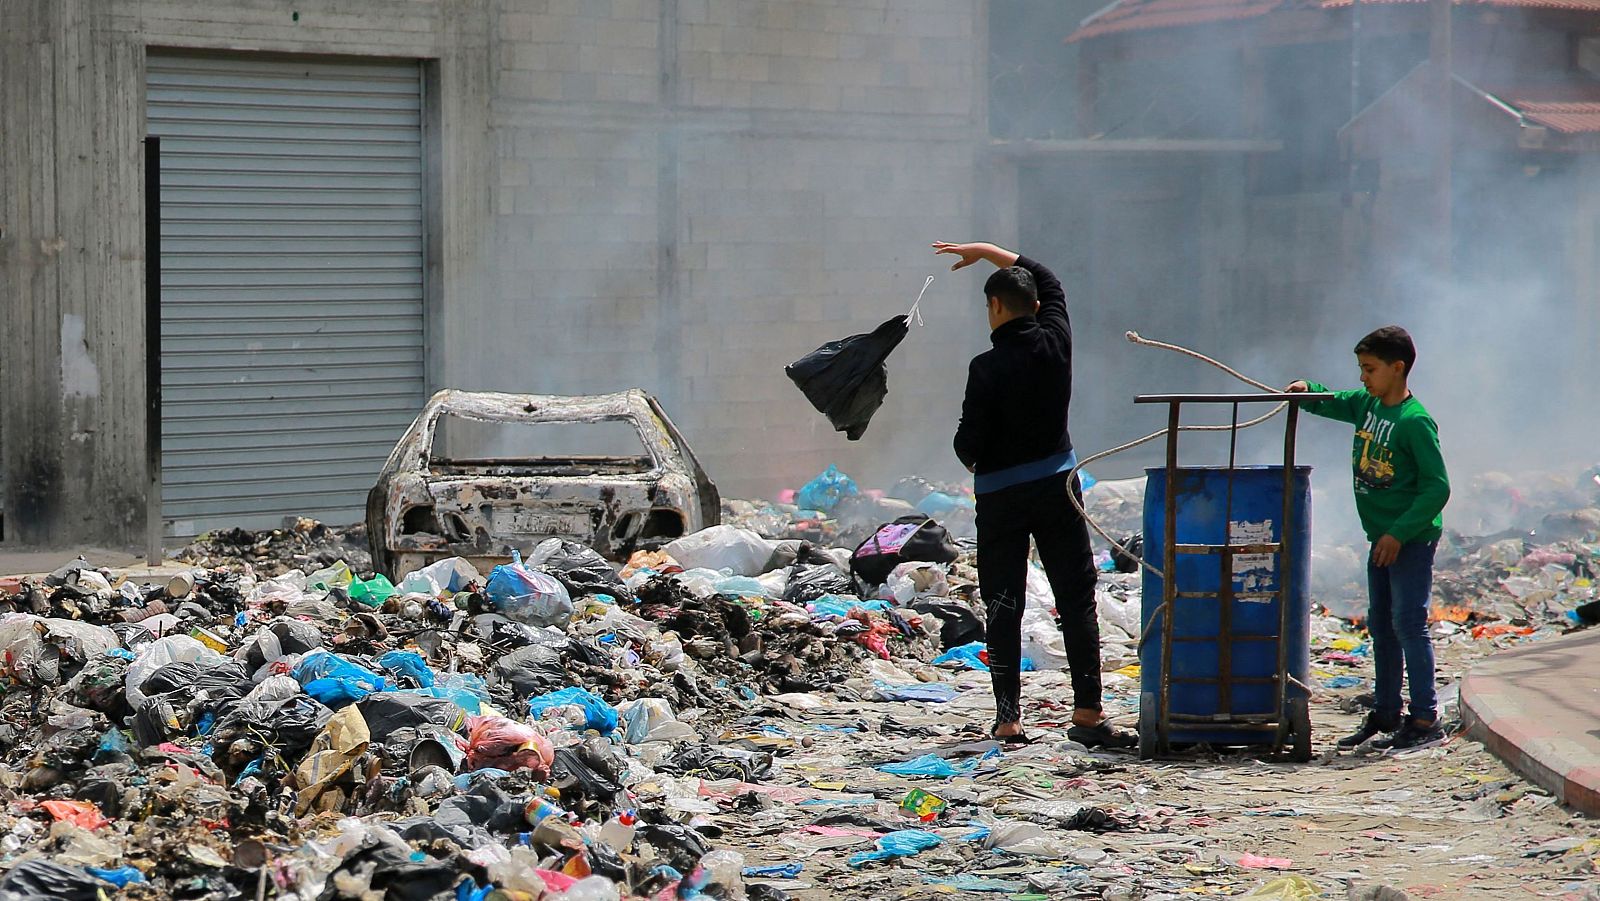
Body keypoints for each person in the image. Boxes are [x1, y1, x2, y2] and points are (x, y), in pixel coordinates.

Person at [933, 241, 1133, 749]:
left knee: (1004, 601)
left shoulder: (985, 368)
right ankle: (1088, 713)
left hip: (1001, 497)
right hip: (1058, 488)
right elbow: (1048, 277)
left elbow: (967, 443)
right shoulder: (1057, 339)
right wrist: (987, 251)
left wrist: (980, 460)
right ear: (1037, 307)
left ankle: (1008, 720)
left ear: (995, 308)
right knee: (1075, 596)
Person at [1288, 326, 1451, 751]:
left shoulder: (1414, 422)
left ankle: (1424, 717)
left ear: (1398, 368)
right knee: (1381, 625)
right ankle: (1385, 712)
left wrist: (1399, 533)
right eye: (1361, 369)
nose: (1363, 378)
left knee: (1409, 625)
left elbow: (1437, 488)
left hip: (1408, 541)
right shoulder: (1368, 405)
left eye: (1369, 369)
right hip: (1380, 538)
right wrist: (1309, 390)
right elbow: (1336, 400)